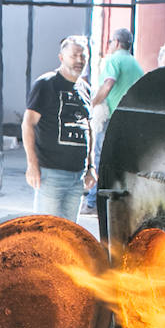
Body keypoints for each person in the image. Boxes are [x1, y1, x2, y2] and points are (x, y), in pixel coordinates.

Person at [23, 36, 95, 220]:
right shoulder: (46, 84)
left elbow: (89, 129)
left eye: (83, 56)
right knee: (47, 231)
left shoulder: (85, 89)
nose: (79, 60)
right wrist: (32, 164)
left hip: (78, 176)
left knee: (69, 234)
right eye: (74, 55)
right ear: (61, 57)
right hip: (50, 174)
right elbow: (28, 123)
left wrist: (91, 167)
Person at [82, 27, 145, 215]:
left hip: (110, 118)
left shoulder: (114, 60)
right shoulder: (134, 63)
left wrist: (91, 104)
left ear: (116, 43)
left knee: (100, 159)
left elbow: (108, 84)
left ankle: (92, 202)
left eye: (110, 42)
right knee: (122, 162)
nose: (109, 46)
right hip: (129, 119)